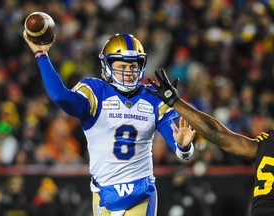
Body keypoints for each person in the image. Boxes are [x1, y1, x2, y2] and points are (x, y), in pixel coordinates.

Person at [23, 32, 196, 216]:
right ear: (107, 66)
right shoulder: (95, 91)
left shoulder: (154, 97)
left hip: (139, 191)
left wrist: (184, 147)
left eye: (133, 66)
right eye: (122, 66)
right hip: (102, 191)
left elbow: (182, 153)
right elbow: (60, 97)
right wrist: (42, 56)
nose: (129, 72)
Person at [147, 68, 274, 216]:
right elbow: (216, 133)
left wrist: (175, 102)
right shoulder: (266, 144)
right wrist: (175, 102)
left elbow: (216, 133)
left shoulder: (266, 144)